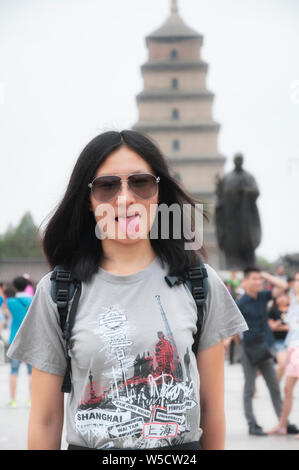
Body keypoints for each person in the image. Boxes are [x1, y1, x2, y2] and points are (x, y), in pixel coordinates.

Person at [7, 130, 248, 451]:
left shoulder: (200, 282)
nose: (125, 198)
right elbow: (45, 420)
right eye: (107, 186)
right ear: (89, 201)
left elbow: (212, 410)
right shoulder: (58, 292)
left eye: (141, 183)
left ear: (159, 194)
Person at [236, 266, 298, 436]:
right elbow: (233, 328)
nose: (258, 282)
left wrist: (264, 274)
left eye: (259, 279)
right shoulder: (240, 303)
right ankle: (252, 424)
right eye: (254, 278)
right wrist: (240, 344)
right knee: (249, 388)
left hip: (264, 347)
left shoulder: (263, 296)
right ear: (246, 280)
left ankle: (283, 422)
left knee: (274, 387)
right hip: (248, 349)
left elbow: (283, 286)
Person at [268, 272, 299, 438]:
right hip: (292, 348)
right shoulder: (293, 301)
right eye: (295, 280)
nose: (295, 283)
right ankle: (282, 425)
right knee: (287, 390)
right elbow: (282, 285)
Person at [6, 277, 33, 408]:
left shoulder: (10, 301)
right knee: (31, 372)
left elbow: (6, 313)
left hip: (14, 339)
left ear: (15, 287)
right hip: (30, 340)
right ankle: (31, 400)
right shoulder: (33, 300)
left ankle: (13, 400)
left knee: (14, 370)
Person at [268, 289, 290, 382]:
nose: (281, 299)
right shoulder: (273, 310)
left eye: (284, 296)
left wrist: (281, 325)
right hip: (279, 341)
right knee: (282, 364)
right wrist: (286, 327)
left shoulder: (293, 309)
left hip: (293, 342)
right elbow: (271, 326)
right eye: (279, 296)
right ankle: (276, 387)